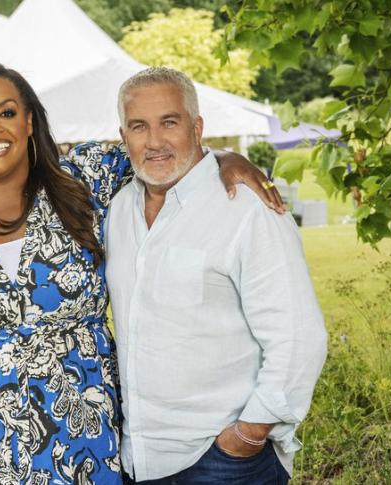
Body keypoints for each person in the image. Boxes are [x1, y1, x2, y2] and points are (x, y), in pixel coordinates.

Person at [0, 63, 282, 484]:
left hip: (75, 440)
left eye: (6, 113)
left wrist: (224, 157)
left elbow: (161, 150)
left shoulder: (86, 179)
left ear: (30, 120)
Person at [105, 67, 327, 484]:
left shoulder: (246, 208)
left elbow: (299, 336)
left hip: (224, 460)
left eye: (169, 122)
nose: (154, 141)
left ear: (197, 127)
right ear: (123, 136)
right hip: (137, 458)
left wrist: (248, 434)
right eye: (139, 127)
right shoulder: (116, 210)